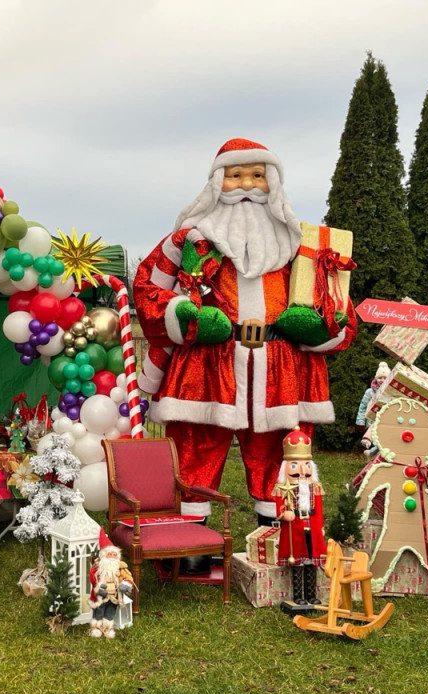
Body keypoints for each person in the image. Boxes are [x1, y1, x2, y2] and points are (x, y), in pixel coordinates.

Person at [133, 138, 356, 534]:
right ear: (218, 182)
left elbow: (336, 303)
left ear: (272, 182)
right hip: (208, 365)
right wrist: (185, 317)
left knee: (277, 452)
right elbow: (149, 287)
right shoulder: (189, 240)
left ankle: (278, 539)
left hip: (278, 368)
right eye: (236, 176)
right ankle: (188, 547)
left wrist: (317, 325)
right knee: (196, 447)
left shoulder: (298, 245)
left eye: (257, 175)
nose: (247, 186)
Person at [268, 429, 327, 606]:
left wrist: (320, 526)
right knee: (298, 562)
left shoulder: (314, 488)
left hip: (312, 528)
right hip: (295, 530)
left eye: (306, 465)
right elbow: (279, 506)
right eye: (295, 465)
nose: (302, 471)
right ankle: (298, 596)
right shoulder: (282, 488)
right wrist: (284, 513)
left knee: (311, 562)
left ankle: (311, 594)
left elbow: (320, 509)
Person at [88, 534, 135, 639]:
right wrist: (99, 588)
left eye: (115, 555)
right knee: (99, 612)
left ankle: (108, 629)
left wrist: (125, 584)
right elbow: (93, 578)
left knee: (110, 613)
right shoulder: (97, 568)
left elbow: (128, 577)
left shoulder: (120, 568)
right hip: (101, 597)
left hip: (114, 597)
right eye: (110, 555)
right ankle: (96, 628)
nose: (113, 557)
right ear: (104, 555)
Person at [355, 362, 390, 451]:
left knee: (385, 443)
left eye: (385, 378)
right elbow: (363, 407)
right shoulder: (369, 392)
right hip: (372, 422)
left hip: (387, 422)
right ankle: (369, 447)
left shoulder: (391, 392)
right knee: (375, 440)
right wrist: (360, 422)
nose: (382, 380)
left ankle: (376, 456)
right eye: (380, 378)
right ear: (376, 378)